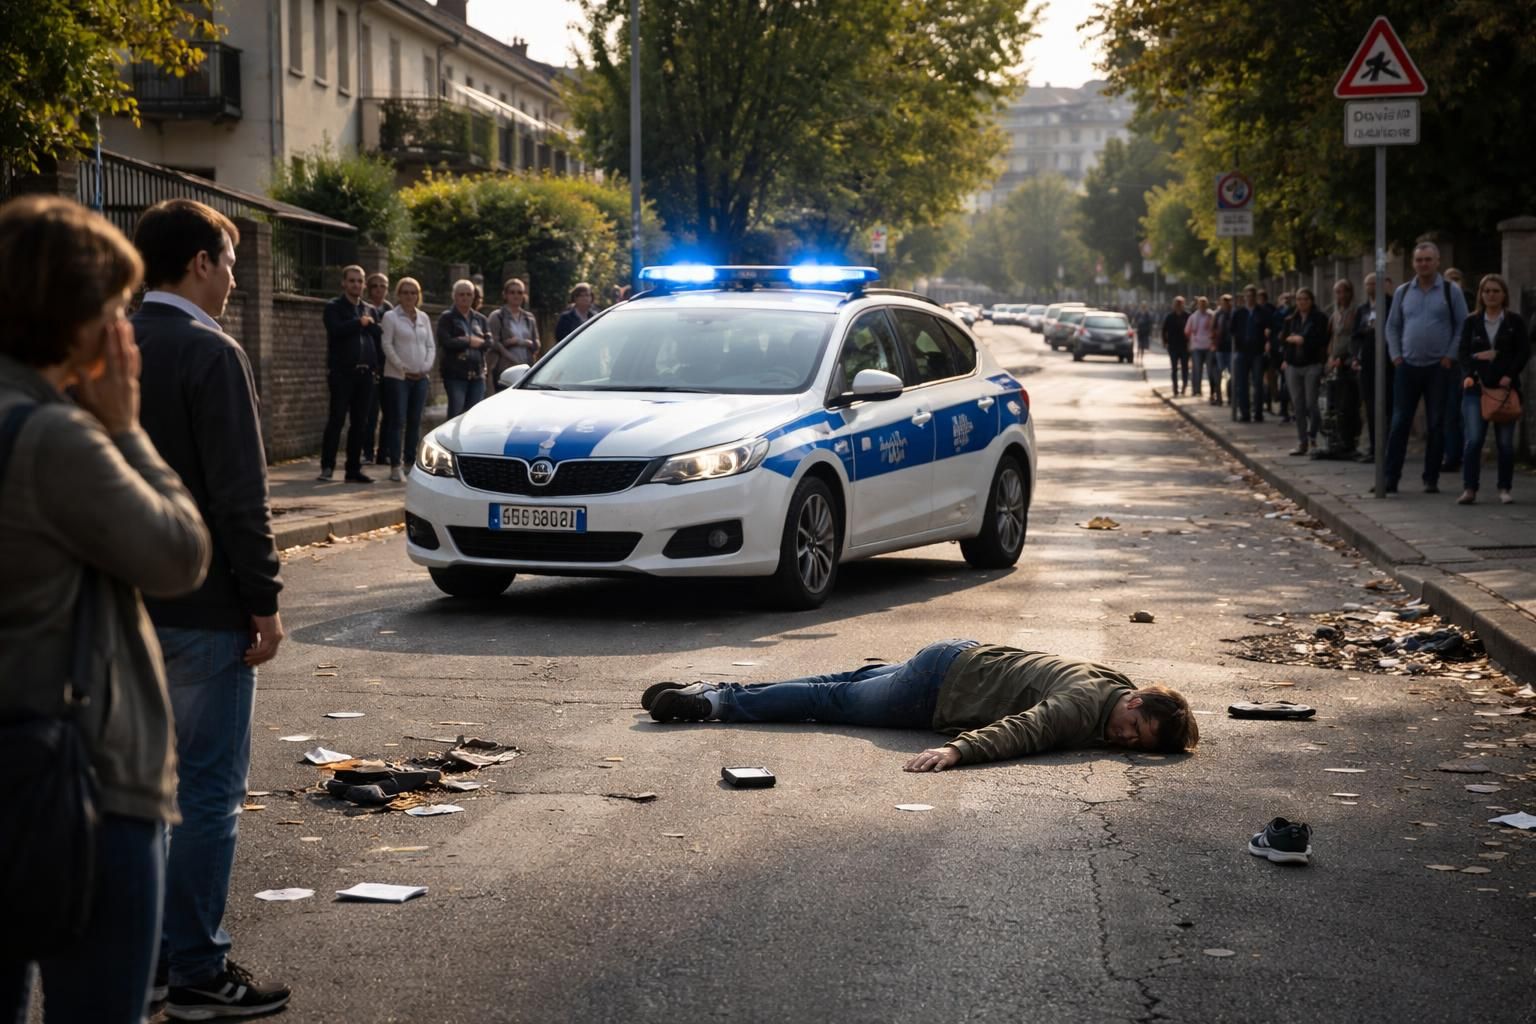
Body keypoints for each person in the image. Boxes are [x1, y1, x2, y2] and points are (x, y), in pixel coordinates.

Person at [0, 196, 210, 1024]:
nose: (124, 326)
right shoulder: (56, 439)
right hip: (75, 787)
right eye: (115, 306)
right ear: (76, 316)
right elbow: (177, 554)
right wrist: (125, 428)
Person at [130, 198, 291, 1019]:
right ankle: (196, 968)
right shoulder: (208, 351)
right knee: (206, 793)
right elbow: (239, 494)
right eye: (229, 261)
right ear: (199, 262)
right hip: (203, 604)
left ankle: (147, 965)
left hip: (123, 607)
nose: (234, 278)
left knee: (141, 793)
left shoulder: (108, 344)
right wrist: (262, 600)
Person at [643, 640, 1199, 766]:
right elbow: (1028, 729)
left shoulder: (1110, 682)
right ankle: (718, 705)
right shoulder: (1084, 705)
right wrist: (959, 752)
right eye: (1133, 725)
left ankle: (712, 692)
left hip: (954, 656)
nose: (1126, 738)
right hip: (937, 688)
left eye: (1138, 742)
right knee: (830, 702)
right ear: (1131, 698)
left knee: (834, 683)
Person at [1384, 241, 1468, 495]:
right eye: (1419, 260)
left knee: (1436, 424)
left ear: (1437, 261)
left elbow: (1463, 325)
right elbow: (1392, 326)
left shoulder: (1450, 291)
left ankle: (1430, 478)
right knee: (1399, 423)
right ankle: (1390, 478)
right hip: (1407, 366)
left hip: (1439, 368)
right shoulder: (1402, 292)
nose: (1423, 264)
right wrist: (1396, 356)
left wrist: (1449, 356)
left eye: (1428, 259)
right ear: (1413, 263)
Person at [1456, 273, 1529, 505]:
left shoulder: (1514, 321)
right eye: (1487, 291)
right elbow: (1463, 351)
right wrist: (1468, 375)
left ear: (1504, 294)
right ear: (1481, 294)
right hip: (1476, 389)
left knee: (1505, 444)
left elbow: (1523, 351)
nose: (1491, 295)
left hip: (1504, 390)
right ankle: (1470, 488)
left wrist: (1510, 374)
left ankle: (1504, 488)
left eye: (1496, 291)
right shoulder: (1471, 321)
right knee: (1474, 439)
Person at [320, 265, 383, 483]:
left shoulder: (370, 309)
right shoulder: (334, 307)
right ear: (344, 283)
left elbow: (377, 337)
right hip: (342, 373)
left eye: (360, 281)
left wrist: (376, 367)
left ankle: (353, 469)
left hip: (366, 375)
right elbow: (335, 330)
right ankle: (327, 466)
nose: (356, 284)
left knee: (361, 422)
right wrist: (359, 323)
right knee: (337, 419)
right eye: (352, 280)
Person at [379, 277, 435, 483]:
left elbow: (430, 346)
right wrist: (403, 367)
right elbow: (387, 345)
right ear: (399, 295)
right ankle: (395, 464)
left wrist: (425, 367)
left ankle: (412, 462)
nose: (409, 296)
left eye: (413, 293)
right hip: (398, 377)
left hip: (421, 377)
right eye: (405, 292)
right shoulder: (391, 317)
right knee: (398, 420)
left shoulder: (424, 318)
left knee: (415, 421)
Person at [1314, 279, 1364, 460]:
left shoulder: (1356, 312)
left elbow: (1354, 338)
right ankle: (1337, 441)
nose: (1341, 296)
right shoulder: (1334, 314)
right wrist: (1330, 358)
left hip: (1349, 363)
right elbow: (1332, 339)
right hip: (1335, 364)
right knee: (1334, 407)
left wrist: (1344, 358)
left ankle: (1350, 442)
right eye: (1338, 292)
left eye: (1344, 292)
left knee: (1348, 405)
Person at [1280, 287, 1328, 456]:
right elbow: (1284, 339)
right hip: (1293, 366)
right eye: (1299, 299)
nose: (1302, 302)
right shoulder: (1291, 319)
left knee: (1311, 403)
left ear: (1311, 301)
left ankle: (1313, 435)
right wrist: (1286, 357)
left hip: (1312, 365)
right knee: (1298, 405)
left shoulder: (1319, 318)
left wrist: (1304, 340)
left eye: (1305, 299)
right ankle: (1302, 441)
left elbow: (1321, 339)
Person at [1353, 273, 1394, 462]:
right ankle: (1374, 447)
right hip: (1367, 363)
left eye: (1374, 283)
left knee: (1388, 405)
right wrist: (1355, 356)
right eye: (1368, 284)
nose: (1370, 287)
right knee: (1370, 407)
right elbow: (1355, 336)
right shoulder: (1362, 310)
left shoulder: (1392, 304)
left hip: (1388, 362)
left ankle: (1389, 447)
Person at [438, 278, 490, 418]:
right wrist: (469, 341)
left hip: (477, 374)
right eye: (461, 294)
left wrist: (465, 341)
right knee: (456, 414)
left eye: (468, 294)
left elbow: (489, 342)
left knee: (473, 416)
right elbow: (446, 342)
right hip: (455, 375)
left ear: (473, 296)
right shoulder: (447, 318)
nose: (465, 297)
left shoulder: (480, 319)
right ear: (454, 296)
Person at [360, 272, 392, 466]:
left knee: (389, 413)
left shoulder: (391, 311)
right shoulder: (364, 310)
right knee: (370, 413)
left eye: (383, 286)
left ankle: (384, 452)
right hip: (372, 366)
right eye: (375, 286)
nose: (379, 290)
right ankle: (368, 452)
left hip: (388, 366)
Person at [486, 277, 540, 390]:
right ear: (505, 295)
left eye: (520, 292)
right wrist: (508, 344)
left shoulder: (529, 318)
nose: (516, 296)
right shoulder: (497, 316)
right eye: (512, 292)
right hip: (505, 368)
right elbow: (493, 342)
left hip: (526, 369)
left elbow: (537, 343)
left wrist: (528, 343)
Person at [1230, 285, 1266, 423]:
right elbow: (1232, 330)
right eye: (1247, 296)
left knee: (1258, 383)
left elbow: (1268, 327)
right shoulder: (1239, 313)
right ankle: (1245, 413)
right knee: (1242, 384)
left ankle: (1258, 413)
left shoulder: (1261, 312)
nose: (1249, 299)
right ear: (1244, 297)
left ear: (1255, 297)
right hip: (1242, 352)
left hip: (1257, 352)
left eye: (1252, 296)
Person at [1268, 292, 1293, 422]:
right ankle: (1282, 407)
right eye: (1284, 299)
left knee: (1286, 381)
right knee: (1279, 380)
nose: (1287, 301)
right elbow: (1274, 325)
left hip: (1289, 352)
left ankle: (1286, 409)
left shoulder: (1293, 312)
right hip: (1277, 350)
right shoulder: (1276, 313)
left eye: (1289, 299)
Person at [1185, 296, 1214, 399]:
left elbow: (1215, 328)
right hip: (1197, 347)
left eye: (1204, 304)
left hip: (1209, 346)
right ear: (1198, 306)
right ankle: (1196, 390)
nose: (1202, 306)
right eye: (1200, 305)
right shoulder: (1193, 317)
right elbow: (1187, 331)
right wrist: (1191, 341)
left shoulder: (1211, 316)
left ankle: (1213, 391)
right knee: (1197, 369)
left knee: (1211, 370)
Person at [1162, 296, 1190, 396]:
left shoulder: (1187, 316)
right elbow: (1164, 330)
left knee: (1185, 368)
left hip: (1184, 346)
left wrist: (1190, 343)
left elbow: (1190, 330)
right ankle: (1175, 388)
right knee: (1174, 369)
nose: (1178, 306)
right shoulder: (1170, 316)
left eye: (1180, 304)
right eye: (1176, 304)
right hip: (1173, 346)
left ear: (1183, 305)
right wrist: (1165, 342)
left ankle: (1184, 386)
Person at [1212, 293, 1234, 409]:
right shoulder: (1218, 315)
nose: (1226, 304)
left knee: (1231, 375)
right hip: (1220, 348)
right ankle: (1219, 397)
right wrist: (1214, 342)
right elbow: (1212, 329)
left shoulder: (1234, 314)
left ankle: (1231, 397)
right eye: (1224, 302)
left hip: (1231, 349)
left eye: (1228, 302)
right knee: (1219, 374)